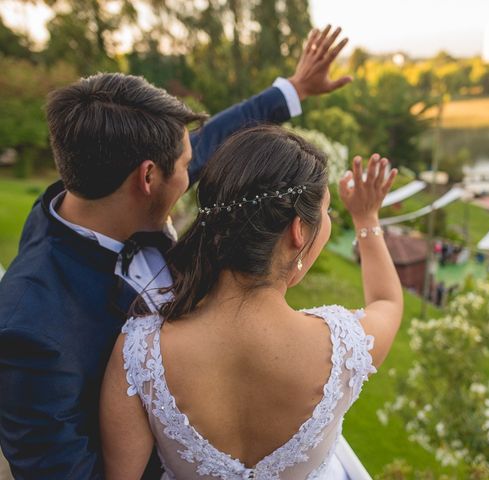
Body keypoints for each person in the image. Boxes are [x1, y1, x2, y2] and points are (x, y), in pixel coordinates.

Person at [0, 26, 350, 480]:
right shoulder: (31, 330)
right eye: (186, 167)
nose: (194, 171)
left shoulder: (100, 186)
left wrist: (292, 90)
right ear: (147, 179)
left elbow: (209, 140)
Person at [100, 126, 403, 479]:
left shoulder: (139, 352)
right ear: (298, 230)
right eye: (326, 211)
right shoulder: (344, 347)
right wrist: (366, 218)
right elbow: (387, 301)